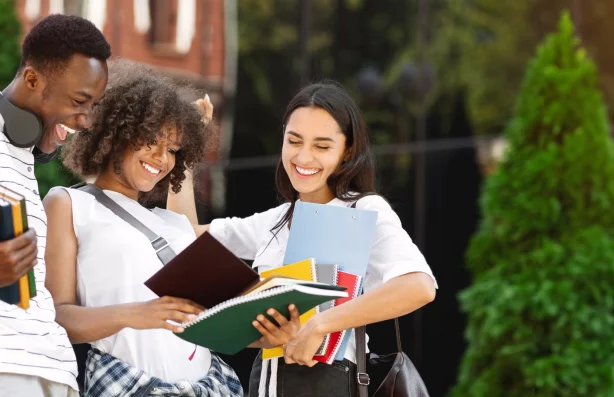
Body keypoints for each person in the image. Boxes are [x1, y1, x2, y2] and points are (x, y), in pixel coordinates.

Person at [168, 82, 437, 397]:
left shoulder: (362, 209)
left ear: (347, 150)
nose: (303, 157)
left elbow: (418, 286)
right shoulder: (276, 220)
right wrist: (185, 153)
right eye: (294, 141)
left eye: (322, 146)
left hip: (329, 383)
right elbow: (181, 235)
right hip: (268, 381)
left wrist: (320, 325)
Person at [43, 60, 243, 397]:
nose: (162, 157)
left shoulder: (174, 223)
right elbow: (57, 318)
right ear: (115, 132)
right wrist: (138, 314)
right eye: (151, 140)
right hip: (130, 385)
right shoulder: (70, 204)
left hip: (210, 385)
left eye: (174, 150)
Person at [0, 14, 110, 397]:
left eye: (93, 105)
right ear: (32, 80)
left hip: (54, 372)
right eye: (80, 101)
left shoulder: (21, 157)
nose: (85, 120)